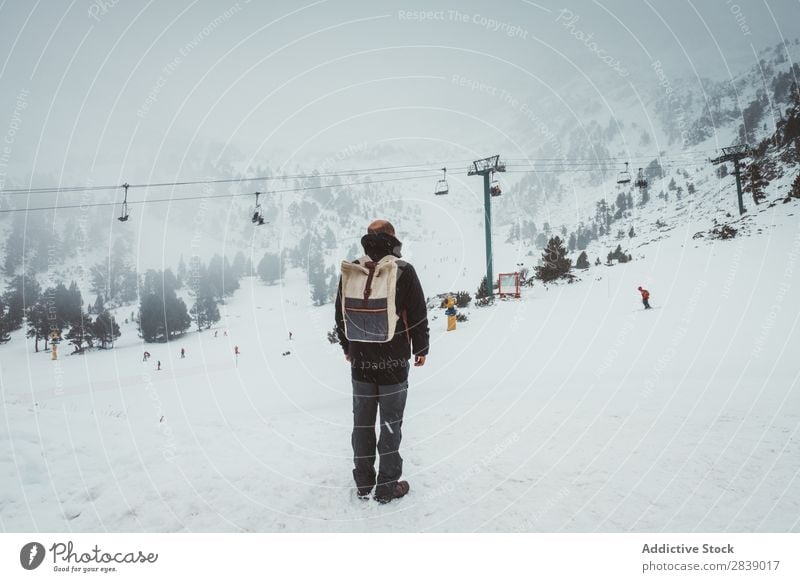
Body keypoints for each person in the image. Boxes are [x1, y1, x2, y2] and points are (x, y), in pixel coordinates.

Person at [335, 219, 429, 503]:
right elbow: (418, 312)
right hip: (394, 363)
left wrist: (348, 347)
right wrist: (421, 348)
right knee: (390, 424)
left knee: (362, 424)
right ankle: (387, 486)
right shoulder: (403, 270)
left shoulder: (354, 269)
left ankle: (363, 483)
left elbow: (340, 314)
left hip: (361, 363)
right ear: (393, 238)